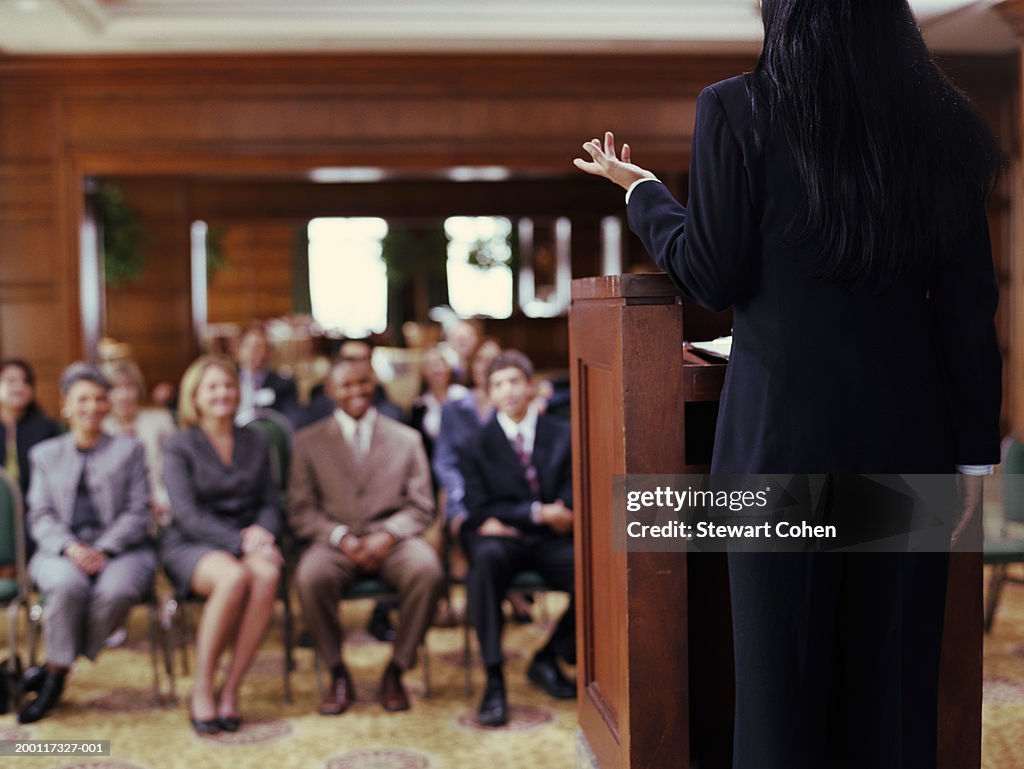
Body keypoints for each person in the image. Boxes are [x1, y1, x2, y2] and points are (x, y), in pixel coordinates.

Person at [575, 2, 1001, 767]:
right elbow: (970, 311)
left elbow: (711, 271)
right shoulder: (946, 124)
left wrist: (644, 194)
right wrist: (975, 457)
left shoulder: (735, 107)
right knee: (895, 698)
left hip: (779, 447)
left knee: (779, 704)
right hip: (911, 444)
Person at [288, 355, 443, 715]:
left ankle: (397, 669)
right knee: (309, 577)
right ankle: (337, 672)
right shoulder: (308, 442)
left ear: (374, 384)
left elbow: (422, 506)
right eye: (346, 384)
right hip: (334, 542)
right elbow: (301, 510)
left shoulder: (406, 438)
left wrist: (388, 535)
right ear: (330, 391)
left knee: (428, 570)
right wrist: (341, 537)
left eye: (363, 382)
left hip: (394, 540)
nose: (357, 391)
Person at [19, 363, 156, 724]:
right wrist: (72, 548)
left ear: (108, 404)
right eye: (83, 399)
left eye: (99, 398)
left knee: (117, 590)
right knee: (66, 585)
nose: (92, 407)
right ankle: (55, 676)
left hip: (122, 550)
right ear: (65, 403)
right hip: (61, 551)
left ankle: (56, 668)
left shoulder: (129, 451)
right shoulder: (45, 455)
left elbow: (138, 511)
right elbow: (41, 515)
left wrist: (105, 548)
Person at [161, 355, 282, 736]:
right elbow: (186, 513)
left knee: (267, 574)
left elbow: (270, 499)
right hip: (192, 543)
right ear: (194, 397)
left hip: (247, 538)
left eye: (228, 385)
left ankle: (230, 689)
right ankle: (201, 689)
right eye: (212, 387)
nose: (222, 394)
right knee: (232, 578)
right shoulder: (179, 445)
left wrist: (263, 533)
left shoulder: (256, 440)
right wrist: (242, 540)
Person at [458, 350, 576, 727]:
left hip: (552, 540)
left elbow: (574, 490)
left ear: (530, 386)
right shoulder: (475, 443)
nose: (507, 390)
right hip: (504, 542)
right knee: (486, 561)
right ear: (488, 394)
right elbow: (478, 508)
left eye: (514, 381)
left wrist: (561, 513)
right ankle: (494, 678)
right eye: (497, 384)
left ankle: (549, 656)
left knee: (597, 569)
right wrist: (537, 513)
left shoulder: (562, 433)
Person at [101, 358, 176, 526]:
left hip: (161, 502)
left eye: (128, 387)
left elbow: (174, 469)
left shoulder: (160, 422)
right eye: (115, 388)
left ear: (138, 389)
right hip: (117, 510)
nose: (123, 395)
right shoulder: (102, 428)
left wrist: (162, 499)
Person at [0, 359, 62, 502]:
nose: (19, 387)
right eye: (11, 381)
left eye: (26, 382)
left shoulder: (47, 427)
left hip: (36, 506)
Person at [234, 322, 299, 426]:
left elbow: (291, 421)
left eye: (262, 348)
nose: (257, 352)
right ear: (239, 349)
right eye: (252, 346)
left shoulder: (284, 384)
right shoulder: (227, 380)